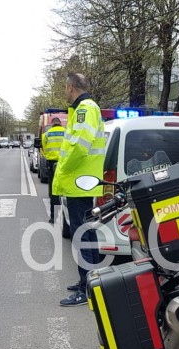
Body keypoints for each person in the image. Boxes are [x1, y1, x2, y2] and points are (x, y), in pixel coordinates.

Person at [53, 73, 106, 307]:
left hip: (78, 182)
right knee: (87, 234)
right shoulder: (85, 109)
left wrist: (63, 169)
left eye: (65, 88)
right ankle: (90, 281)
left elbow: (80, 147)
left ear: (70, 87)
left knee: (81, 236)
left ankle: (87, 289)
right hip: (83, 182)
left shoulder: (85, 109)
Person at [42, 117, 65, 223]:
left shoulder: (46, 134)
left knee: (54, 191)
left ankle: (54, 217)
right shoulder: (67, 132)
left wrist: (49, 156)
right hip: (64, 164)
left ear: (52, 124)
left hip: (51, 165)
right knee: (66, 191)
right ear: (60, 124)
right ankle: (66, 216)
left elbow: (44, 150)